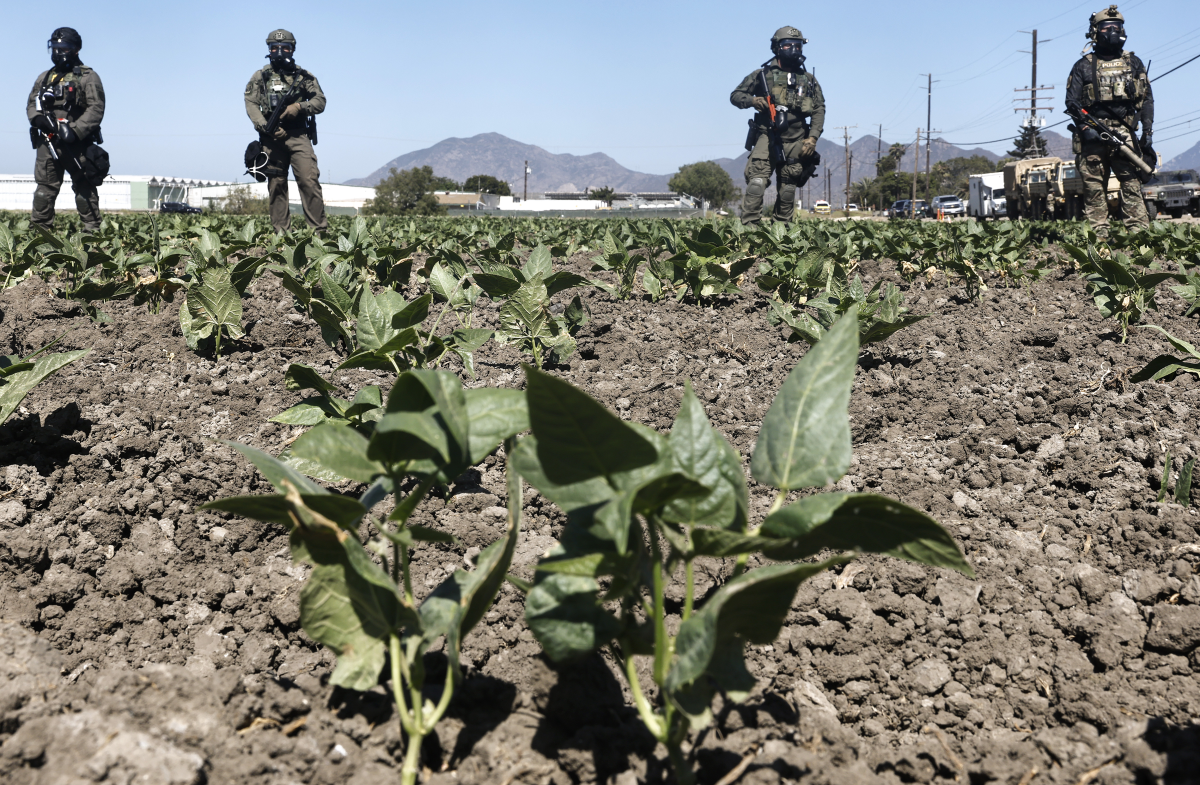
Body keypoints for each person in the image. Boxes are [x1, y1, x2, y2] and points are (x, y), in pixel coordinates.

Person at [1065, 5, 1154, 236]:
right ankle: (1100, 241)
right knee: (1094, 190)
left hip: (1125, 135)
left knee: (1132, 185)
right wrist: (1086, 128)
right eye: (1107, 27)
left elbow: (1147, 99)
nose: (1114, 31)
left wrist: (1147, 133)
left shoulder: (1134, 63)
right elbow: (1071, 103)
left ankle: (1139, 237)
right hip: (1093, 137)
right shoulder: (1083, 65)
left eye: (1118, 27)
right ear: (1095, 31)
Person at [730, 26, 825, 225]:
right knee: (757, 182)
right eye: (788, 45)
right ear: (777, 47)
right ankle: (749, 229)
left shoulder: (808, 80)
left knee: (789, 188)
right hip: (767, 136)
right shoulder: (761, 75)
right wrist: (753, 101)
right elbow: (736, 96)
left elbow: (819, 109)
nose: (793, 49)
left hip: (798, 140)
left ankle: (781, 232)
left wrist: (812, 138)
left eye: (798, 46)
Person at [244, 29, 327, 234]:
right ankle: (281, 235)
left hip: (299, 136)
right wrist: (266, 128)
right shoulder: (260, 76)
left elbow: (320, 101)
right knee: (277, 185)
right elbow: (251, 103)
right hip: (272, 138)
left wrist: (299, 107)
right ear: (269, 50)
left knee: (309, 181)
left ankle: (319, 234)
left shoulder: (304, 77)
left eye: (285, 48)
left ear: (292, 49)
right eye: (274, 47)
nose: (279, 51)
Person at [26, 27, 105, 232]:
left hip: (76, 144)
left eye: (64, 47)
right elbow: (31, 104)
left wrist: (75, 130)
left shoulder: (88, 76)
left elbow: (96, 108)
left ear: (76, 49)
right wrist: (38, 120)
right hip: (47, 142)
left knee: (84, 187)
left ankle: (92, 232)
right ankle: (40, 233)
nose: (58, 52)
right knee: (45, 189)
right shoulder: (44, 77)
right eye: (55, 47)